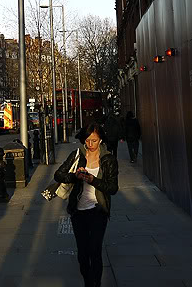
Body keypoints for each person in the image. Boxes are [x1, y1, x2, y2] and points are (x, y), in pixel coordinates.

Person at [54, 122, 118, 287]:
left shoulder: (108, 159)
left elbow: (112, 188)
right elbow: (58, 175)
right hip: (78, 212)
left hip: (98, 210)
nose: (90, 144)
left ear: (101, 140)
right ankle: (88, 280)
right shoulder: (76, 155)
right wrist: (75, 176)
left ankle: (94, 284)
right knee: (83, 253)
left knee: (95, 250)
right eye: (87, 140)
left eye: (94, 141)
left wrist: (93, 180)